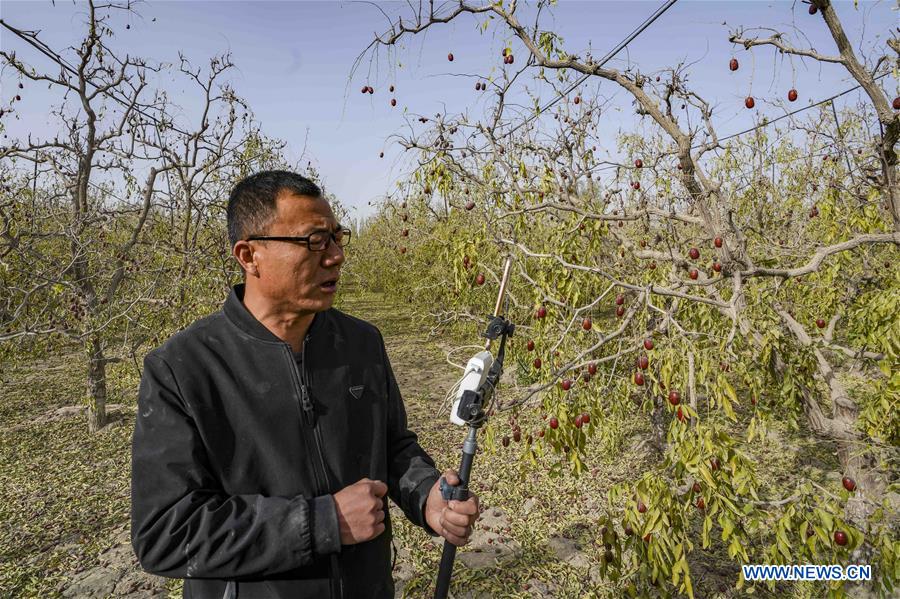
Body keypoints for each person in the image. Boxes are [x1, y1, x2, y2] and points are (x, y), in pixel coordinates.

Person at [131, 170, 480, 599]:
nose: (335, 256)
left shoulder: (361, 343)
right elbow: (164, 532)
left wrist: (427, 495)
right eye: (314, 241)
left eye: (336, 237)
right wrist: (323, 522)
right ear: (249, 255)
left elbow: (391, 446)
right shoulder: (183, 369)